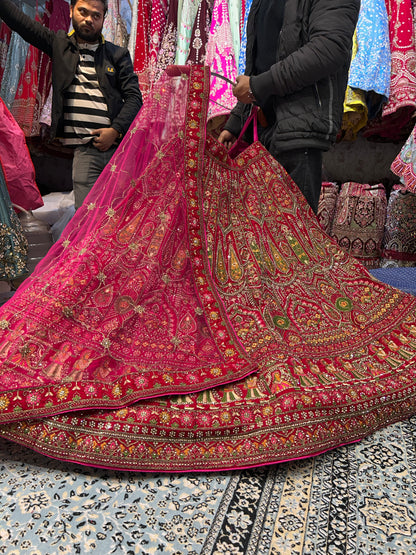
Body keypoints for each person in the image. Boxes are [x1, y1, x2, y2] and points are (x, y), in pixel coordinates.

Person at [0, 65, 414, 473]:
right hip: (272, 121)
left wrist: (257, 89)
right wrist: (238, 116)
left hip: (298, 124)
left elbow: (320, 51)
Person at [218, 0, 361, 214]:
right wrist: (237, 121)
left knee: (293, 238)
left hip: (298, 130)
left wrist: (257, 86)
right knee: (255, 236)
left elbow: (328, 49)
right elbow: (260, 58)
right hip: (261, 130)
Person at [0, 0, 143, 210]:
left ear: (104, 18)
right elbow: (22, 23)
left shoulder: (117, 55)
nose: (89, 19)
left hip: (119, 151)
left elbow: (134, 97)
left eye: (96, 15)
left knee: (121, 217)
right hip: (86, 151)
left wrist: (115, 130)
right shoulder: (59, 45)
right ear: (70, 11)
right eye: (83, 12)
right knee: (86, 219)